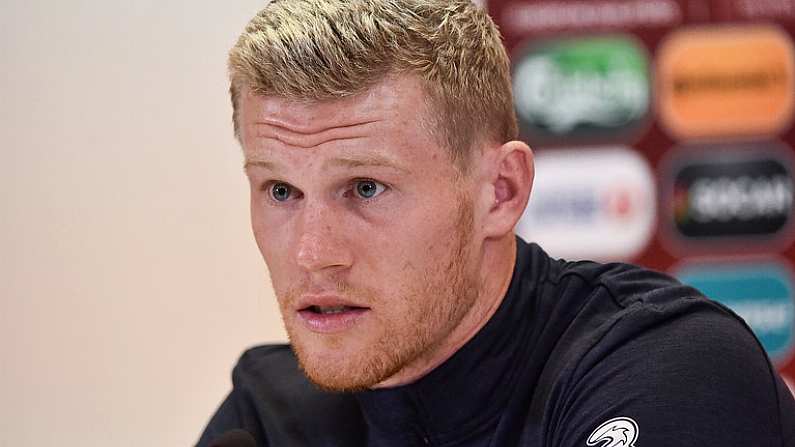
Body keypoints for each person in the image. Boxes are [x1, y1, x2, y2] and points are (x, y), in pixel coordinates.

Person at [197, 1, 795, 445]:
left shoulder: (666, 369)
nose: (312, 252)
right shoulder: (269, 418)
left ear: (500, 192)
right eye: (281, 190)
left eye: (366, 188)